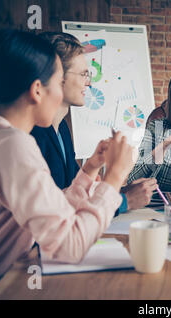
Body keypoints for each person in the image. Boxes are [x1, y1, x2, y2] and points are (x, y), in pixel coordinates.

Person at [0, 30, 135, 299]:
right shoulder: (10, 146)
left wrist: (88, 171)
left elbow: (50, 207)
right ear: (37, 90)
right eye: (59, 81)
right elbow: (70, 245)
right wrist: (114, 178)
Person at [30, 32, 156, 213]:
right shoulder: (32, 134)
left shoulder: (62, 128)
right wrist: (123, 199)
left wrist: (118, 192)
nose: (89, 83)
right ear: (57, 76)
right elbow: (53, 210)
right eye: (83, 74)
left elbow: (75, 192)